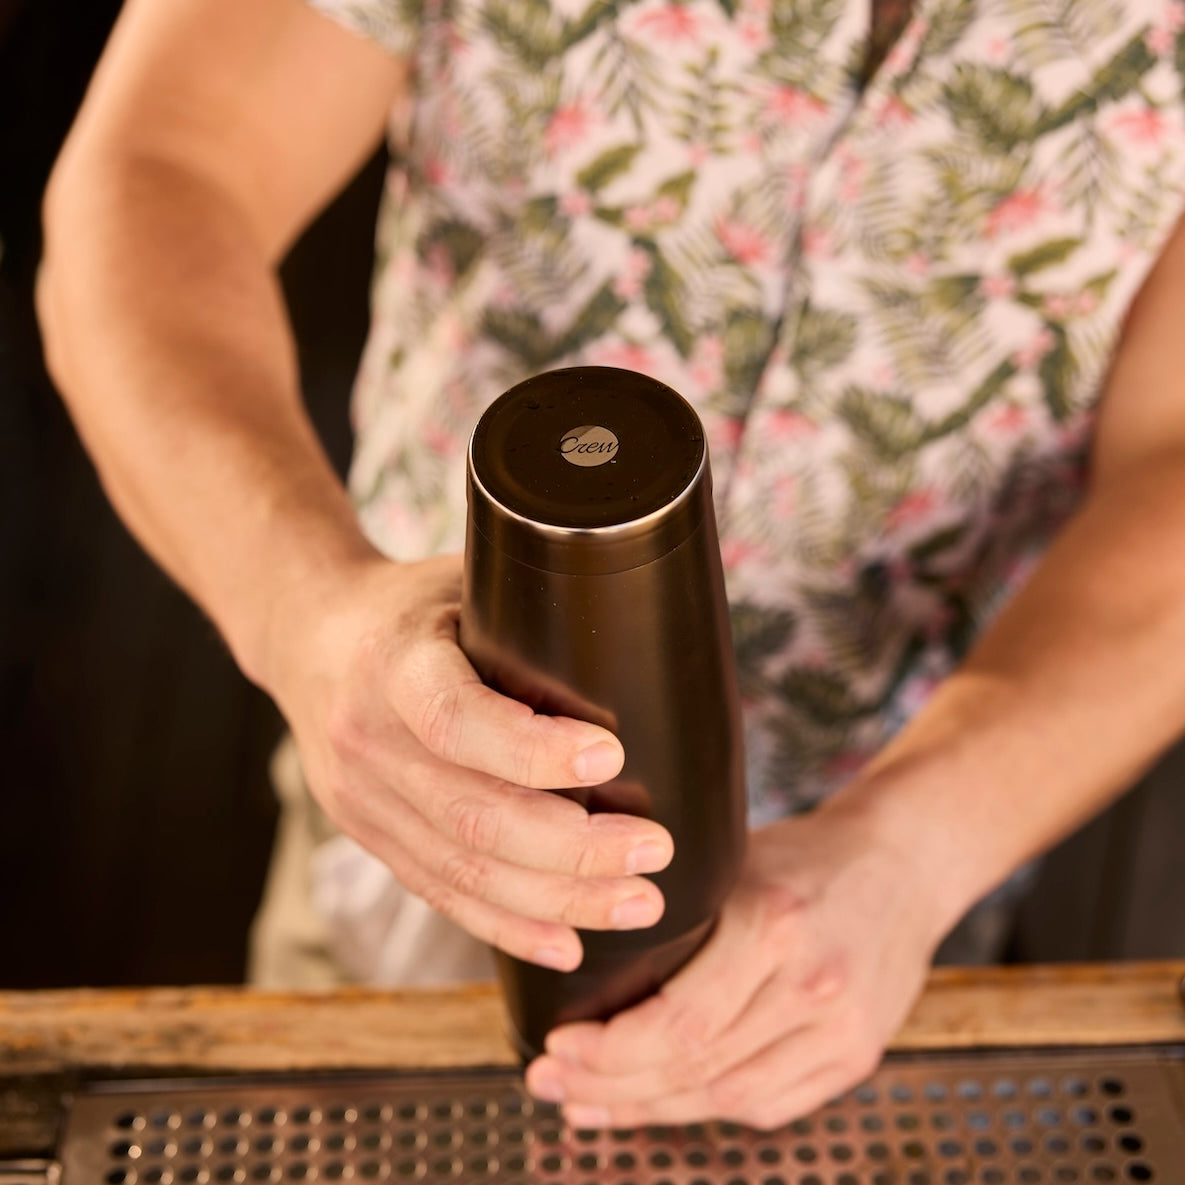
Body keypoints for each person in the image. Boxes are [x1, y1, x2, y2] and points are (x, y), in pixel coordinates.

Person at [38, 0, 1185, 1133]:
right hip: (405, 801)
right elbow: (162, 168)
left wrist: (918, 848)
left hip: (888, 914)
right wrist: (308, 620)